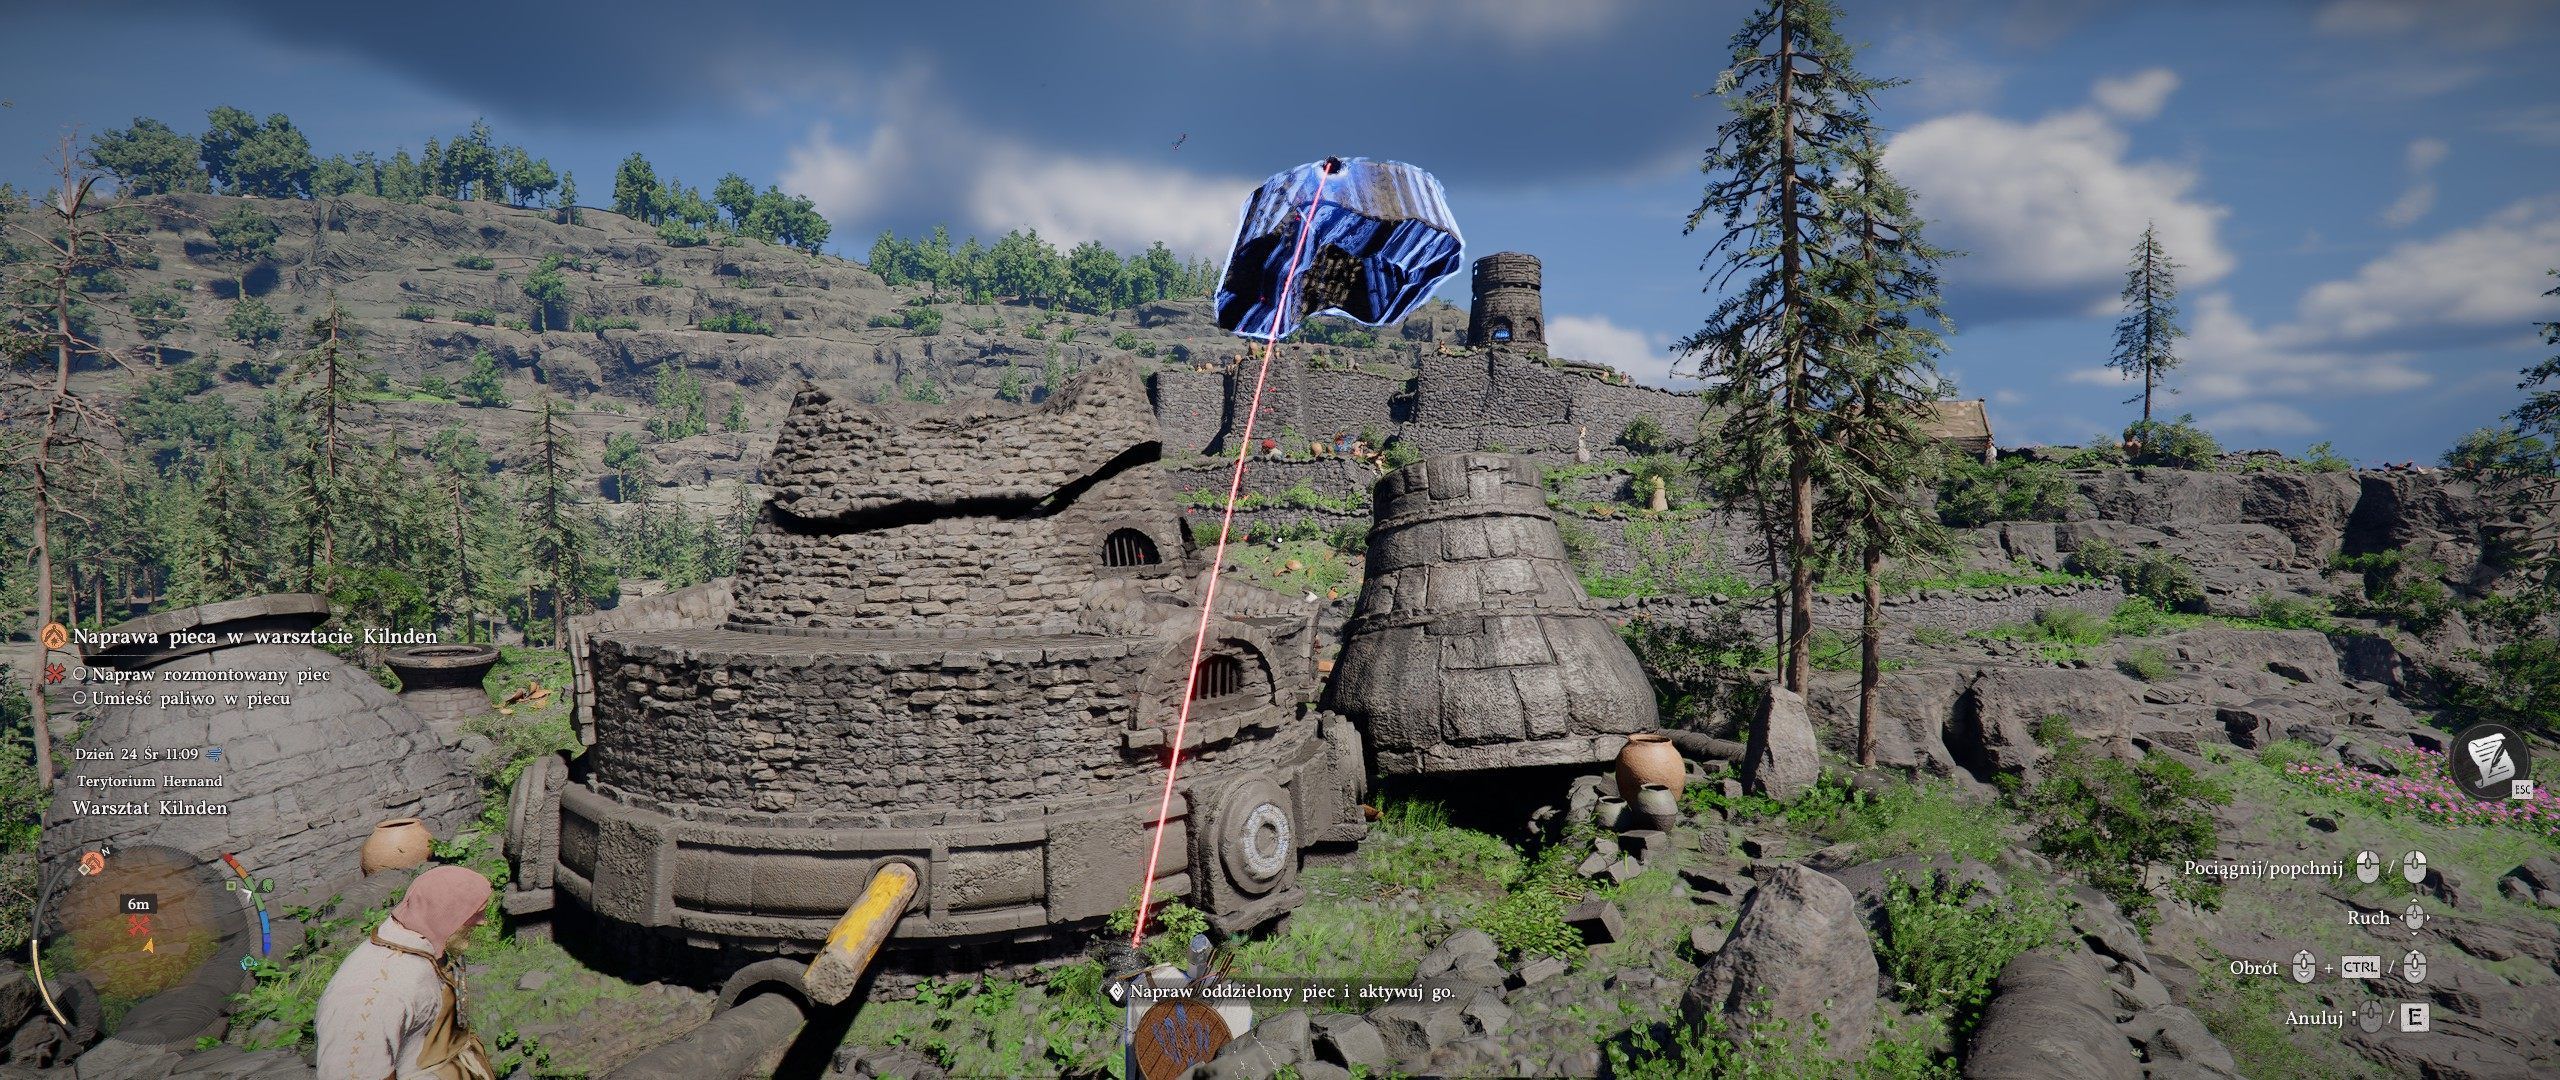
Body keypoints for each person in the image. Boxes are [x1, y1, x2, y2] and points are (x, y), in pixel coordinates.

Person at [315, 865, 497, 1080]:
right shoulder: (372, 994)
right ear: (447, 913)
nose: (483, 921)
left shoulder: (429, 944)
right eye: (474, 913)